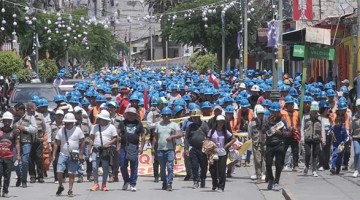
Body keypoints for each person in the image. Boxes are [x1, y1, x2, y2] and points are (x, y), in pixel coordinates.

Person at [52, 113, 85, 197]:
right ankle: (60, 185)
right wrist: (54, 155)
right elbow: (56, 143)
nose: (66, 125)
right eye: (65, 123)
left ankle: (70, 189)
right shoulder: (61, 130)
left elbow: (83, 141)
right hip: (63, 154)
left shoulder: (77, 130)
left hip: (73, 155)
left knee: (71, 173)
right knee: (59, 171)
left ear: (73, 123)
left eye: (68, 123)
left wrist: (81, 153)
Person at [152, 107, 183, 191]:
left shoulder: (174, 125)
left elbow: (180, 134)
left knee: (170, 166)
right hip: (160, 149)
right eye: (165, 115)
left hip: (170, 149)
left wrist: (172, 136)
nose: (166, 117)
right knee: (162, 168)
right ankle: (164, 182)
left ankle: (169, 183)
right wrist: (152, 147)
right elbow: (155, 137)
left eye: (168, 115)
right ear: (162, 116)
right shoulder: (158, 125)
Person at [89, 110, 117, 191]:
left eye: (101, 118)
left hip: (105, 150)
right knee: (94, 167)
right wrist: (89, 149)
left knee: (105, 167)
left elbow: (115, 138)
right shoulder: (95, 127)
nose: (99, 120)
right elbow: (91, 138)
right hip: (96, 149)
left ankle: (104, 184)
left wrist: (109, 143)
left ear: (105, 120)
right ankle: (95, 183)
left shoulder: (111, 127)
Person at [262, 102, 288, 191]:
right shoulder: (267, 120)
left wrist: (281, 133)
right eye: (273, 112)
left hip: (280, 144)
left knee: (278, 164)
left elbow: (288, 132)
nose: (275, 114)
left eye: (277, 112)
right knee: (268, 164)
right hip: (269, 144)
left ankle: (276, 182)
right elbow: (263, 130)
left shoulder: (283, 120)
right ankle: (271, 179)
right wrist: (268, 124)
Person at [118, 107, 145, 192]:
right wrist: (118, 143)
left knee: (134, 166)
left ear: (135, 115)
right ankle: (126, 180)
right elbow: (117, 133)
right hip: (123, 147)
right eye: (129, 114)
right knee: (122, 165)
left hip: (134, 147)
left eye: (132, 114)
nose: (130, 115)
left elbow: (143, 135)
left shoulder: (138, 123)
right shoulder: (122, 123)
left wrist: (141, 147)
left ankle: (133, 184)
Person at [207, 115, 236, 192]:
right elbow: (207, 139)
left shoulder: (225, 132)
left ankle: (221, 186)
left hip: (222, 153)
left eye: (222, 122)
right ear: (216, 122)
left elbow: (233, 139)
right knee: (212, 169)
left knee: (222, 170)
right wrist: (210, 146)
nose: (220, 124)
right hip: (213, 153)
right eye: (219, 122)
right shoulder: (212, 131)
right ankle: (215, 184)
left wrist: (226, 145)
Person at [13, 103, 37, 188]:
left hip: (26, 141)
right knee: (15, 162)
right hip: (15, 142)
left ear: (22, 110)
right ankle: (19, 176)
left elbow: (34, 129)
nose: (16, 112)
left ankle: (24, 180)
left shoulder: (30, 117)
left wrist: (24, 128)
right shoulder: (14, 119)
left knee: (25, 161)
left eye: (17, 110)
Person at [184, 108, 210, 189]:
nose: (194, 119)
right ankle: (195, 181)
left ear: (199, 117)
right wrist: (186, 148)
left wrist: (207, 145)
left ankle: (203, 179)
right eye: (193, 117)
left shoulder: (204, 125)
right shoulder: (190, 126)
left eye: (196, 117)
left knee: (204, 165)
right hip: (193, 148)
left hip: (202, 148)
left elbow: (208, 135)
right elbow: (186, 138)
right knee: (194, 165)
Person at [300, 101, 324, 177]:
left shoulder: (320, 118)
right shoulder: (306, 117)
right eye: (313, 110)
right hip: (307, 138)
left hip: (316, 138)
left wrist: (323, 139)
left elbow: (322, 129)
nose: (314, 112)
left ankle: (314, 170)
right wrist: (302, 138)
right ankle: (306, 166)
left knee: (315, 155)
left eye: (316, 111)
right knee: (308, 153)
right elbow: (302, 128)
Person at [0, 112, 20, 197]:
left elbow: (17, 143)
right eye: (5, 121)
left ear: (11, 121)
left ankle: (5, 191)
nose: (7, 122)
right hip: (0, 157)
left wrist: (18, 155)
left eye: (9, 121)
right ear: (3, 121)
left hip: (9, 157)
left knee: (7, 176)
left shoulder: (14, 132)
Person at [248, 106, 266, 184]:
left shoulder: (266, 121)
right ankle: (258, 176)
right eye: (259, 114)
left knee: (265, 160)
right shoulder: (252, 123)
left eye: (262, 114)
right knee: (258, 161)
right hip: (256, 143)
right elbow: (250, 134)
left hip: (265, 143)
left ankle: (265, 175)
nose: (260, 115)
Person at [50, 110, 64, 183]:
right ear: (55, 116)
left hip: (63, 146)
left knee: (64, 161)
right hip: (54, 145)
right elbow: (49, 135)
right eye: (58, 115)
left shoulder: (65, 125)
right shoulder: (52, 125)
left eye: (60, 115)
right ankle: (56, 178)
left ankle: (63, 176)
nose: (59, 117)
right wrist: (49, 143)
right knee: (55, 162)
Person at [351, 99, 360, 178]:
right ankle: (356, 169)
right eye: (358, 106)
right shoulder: (354, 116)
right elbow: (351, 128)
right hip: (356, 137)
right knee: (357, 152)